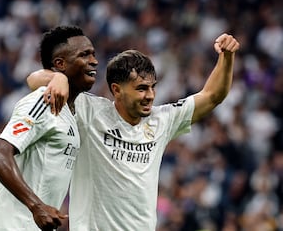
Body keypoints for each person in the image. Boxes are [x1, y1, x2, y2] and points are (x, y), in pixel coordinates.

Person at [26, 33, 240, 230]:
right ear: (116, 90)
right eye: (141, 88)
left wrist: (227, 57)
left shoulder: (162, 120)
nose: (150, 95)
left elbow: (213, 96)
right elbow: (34, 79)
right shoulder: (89, 111)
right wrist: (59, 78)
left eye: (152, 87)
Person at [0, 25, 98, 231]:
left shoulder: (75, 109)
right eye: (84, 55)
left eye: (93, 54)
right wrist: (37, 206)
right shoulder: (43, 101)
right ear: (59, 63)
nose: (94, 61)